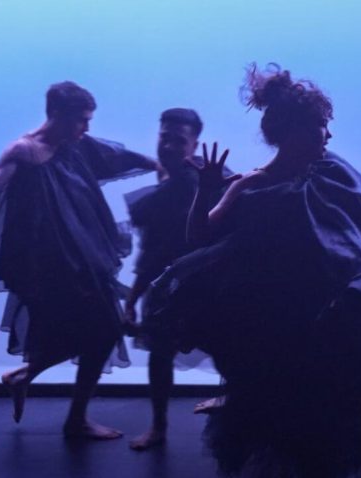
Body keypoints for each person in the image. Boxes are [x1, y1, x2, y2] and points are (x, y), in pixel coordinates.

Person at [147, 64, 361, 477]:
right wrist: (207, 189)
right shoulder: (249, 184)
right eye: (320, 126)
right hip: (270, 319)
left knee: (328, 423)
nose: (328, 135)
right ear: (292, 131)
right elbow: (202, 237)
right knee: (275, 416)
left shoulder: (331, 173)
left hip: (329, 320)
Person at [0, 81, 158, 439]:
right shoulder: (24, 151)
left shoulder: (75, 144)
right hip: (47, 264)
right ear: (56, 114)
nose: (86, 128)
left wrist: (161, 164)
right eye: (81, 120)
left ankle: (28, 381)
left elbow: (119, 157)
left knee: (97, 330)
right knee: (100, 329)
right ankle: (70, 416)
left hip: (81, 256)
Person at [122, 107, 230, 450]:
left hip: (204, 282)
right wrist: (132, 298)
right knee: (160, 353)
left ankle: (235, 405)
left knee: (228, 347)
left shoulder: (204, 177)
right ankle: (158, 427)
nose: (168, 145)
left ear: (194, 143)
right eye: (164, 137)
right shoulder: (168, 182)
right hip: (167, 284)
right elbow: (152, 249)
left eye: (178, 140)